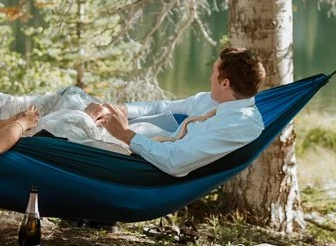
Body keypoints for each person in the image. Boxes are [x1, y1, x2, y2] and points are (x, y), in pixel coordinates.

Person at [86, 47, 266, 177]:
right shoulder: (211, 101)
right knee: (79, 101)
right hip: (143, 142)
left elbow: (176, 162)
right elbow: (161, 107)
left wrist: (125, 134)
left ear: (225, 83)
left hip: (148, 167)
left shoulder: (241, 125)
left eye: (213, 72)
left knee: (72, 113)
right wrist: (120, 109)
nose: (210, 77)